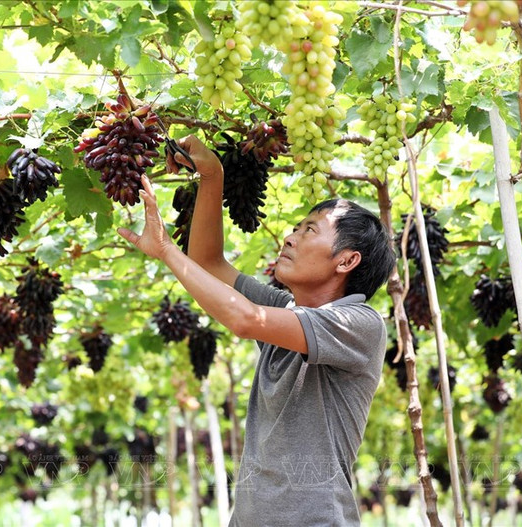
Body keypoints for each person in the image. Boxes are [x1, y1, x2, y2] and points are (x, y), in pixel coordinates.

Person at [118, 135, 397, 526]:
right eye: (297, 228)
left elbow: (246, 319)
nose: (290, 236)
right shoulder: (285, 309)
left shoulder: (359, 323)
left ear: (347, 260)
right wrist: (213, 176)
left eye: (310, 231)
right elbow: (209, 263)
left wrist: (166, 249)